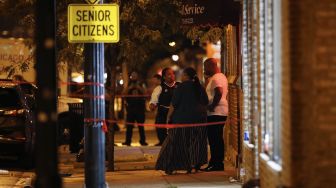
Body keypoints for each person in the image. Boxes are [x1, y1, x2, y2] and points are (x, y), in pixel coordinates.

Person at [155, 67, 208, 175]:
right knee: (195, 144)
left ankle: (172, 165)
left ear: (186, 75)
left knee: (177, 144)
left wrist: (168, 118)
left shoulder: (181, 87)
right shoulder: (200, 87)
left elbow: (173, 105)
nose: (181, 76)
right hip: (198, 121)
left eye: (183, 74)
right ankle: (194, 164)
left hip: (181, 121)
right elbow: (205, 102)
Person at [202, 58, 228, 171]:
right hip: (219, 112)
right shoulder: (220, 76)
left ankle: (217, 164)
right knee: (215, 138)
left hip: (216, 112)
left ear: (212, 66)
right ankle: (215, 162)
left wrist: (212, 106)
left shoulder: (217, 78)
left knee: (214, 138)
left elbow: (219, 92)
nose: (204, 69)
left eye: (205, 67)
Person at [149, 68, 178, 146]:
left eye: (172, 73)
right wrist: (152, 105)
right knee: (163, 137)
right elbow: (152, 104)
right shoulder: (159, 88)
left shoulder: (179, 86)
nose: (171, 76)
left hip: (176, 115)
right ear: (164, 77)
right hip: (162, 115)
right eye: (169, 74)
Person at [122, 71, 148, 146]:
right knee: (129, 126)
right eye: (132, 76)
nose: (134, 77)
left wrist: (138, 87)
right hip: (131, 108)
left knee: (141, 126)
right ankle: (128, 141)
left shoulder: (141, 84)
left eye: (135, 75)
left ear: (137, 76)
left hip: (140, 108)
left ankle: (143, 141)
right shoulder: (129, 84)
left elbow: (145, 93)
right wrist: (130, 88)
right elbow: (124, 94)